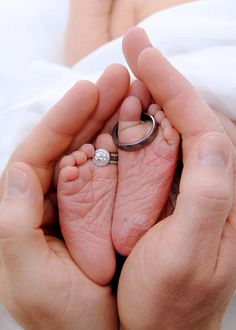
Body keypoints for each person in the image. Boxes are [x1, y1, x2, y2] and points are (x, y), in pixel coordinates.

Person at [0, 27, 235, 330]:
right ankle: (170, 197)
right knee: (215, 127)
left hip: (105, 63)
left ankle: (136, 188)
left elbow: (87, 28)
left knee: (89, 67)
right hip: (204, 51)